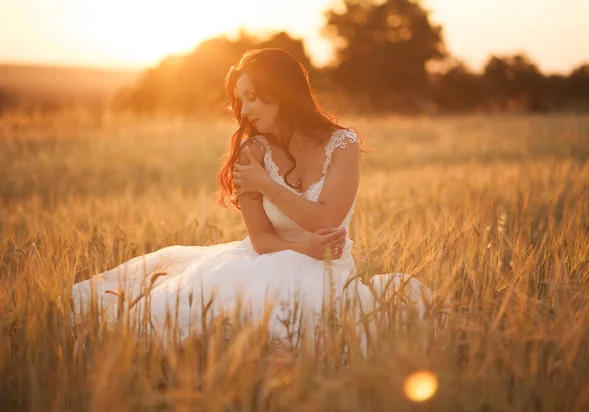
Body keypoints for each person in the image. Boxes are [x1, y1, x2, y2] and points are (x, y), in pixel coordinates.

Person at [71, 48, 433, 348]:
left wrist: (267, 185)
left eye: (252, 97)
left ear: (282, 92)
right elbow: (261, 240)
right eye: (239, 101)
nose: (243, 111)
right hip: (267, 260)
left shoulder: (343, 144)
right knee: (164, 320)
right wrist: (304, 247)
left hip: (330, 267)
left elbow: (328, 220)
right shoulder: (251, 152)